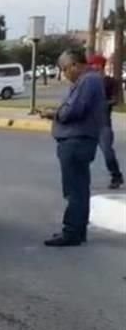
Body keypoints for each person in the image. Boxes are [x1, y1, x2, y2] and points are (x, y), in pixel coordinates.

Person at [38, 49, 106, 246]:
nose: (64, 73)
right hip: (77, 141)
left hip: (76, 142)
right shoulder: (86, 81)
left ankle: (72, 232)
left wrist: (56, 114)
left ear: (75, 65)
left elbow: (74, 110)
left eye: (65, 68)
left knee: (74, 189)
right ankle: (77, 230)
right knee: (79, 188)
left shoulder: (88, 81)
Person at [87, 54, 123, 189]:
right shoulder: (87, 82)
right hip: (88, 124)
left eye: (95, 65)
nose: (93, 68)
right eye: (91, 65)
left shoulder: (110, 82)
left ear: (101, 66)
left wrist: (104, 103)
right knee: (82, 154)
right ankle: (80, 179)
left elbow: (115, 99)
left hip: (103, 124)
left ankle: (116, 176)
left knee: (107, 152)